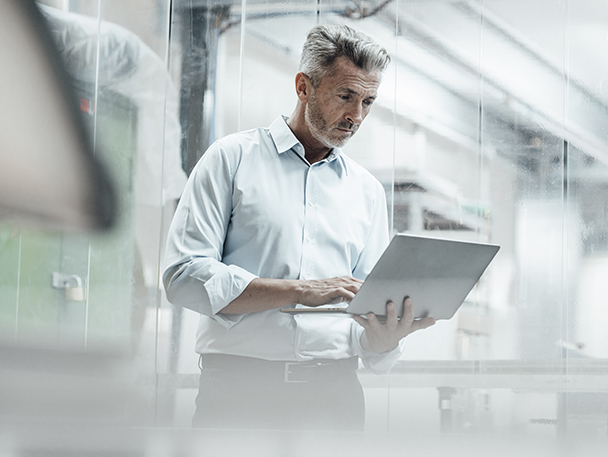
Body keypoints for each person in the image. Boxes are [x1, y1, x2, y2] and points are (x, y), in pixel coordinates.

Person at [162, 24, 435, 431]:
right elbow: (183, 278)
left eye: (368, 101)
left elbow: (364, 313)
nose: (356, 116)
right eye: (345, 96)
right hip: (239, 395)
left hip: (334, 398)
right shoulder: (231, 159)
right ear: (303, 86)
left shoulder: (367, 191)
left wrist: (383, 339)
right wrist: (299, 291)